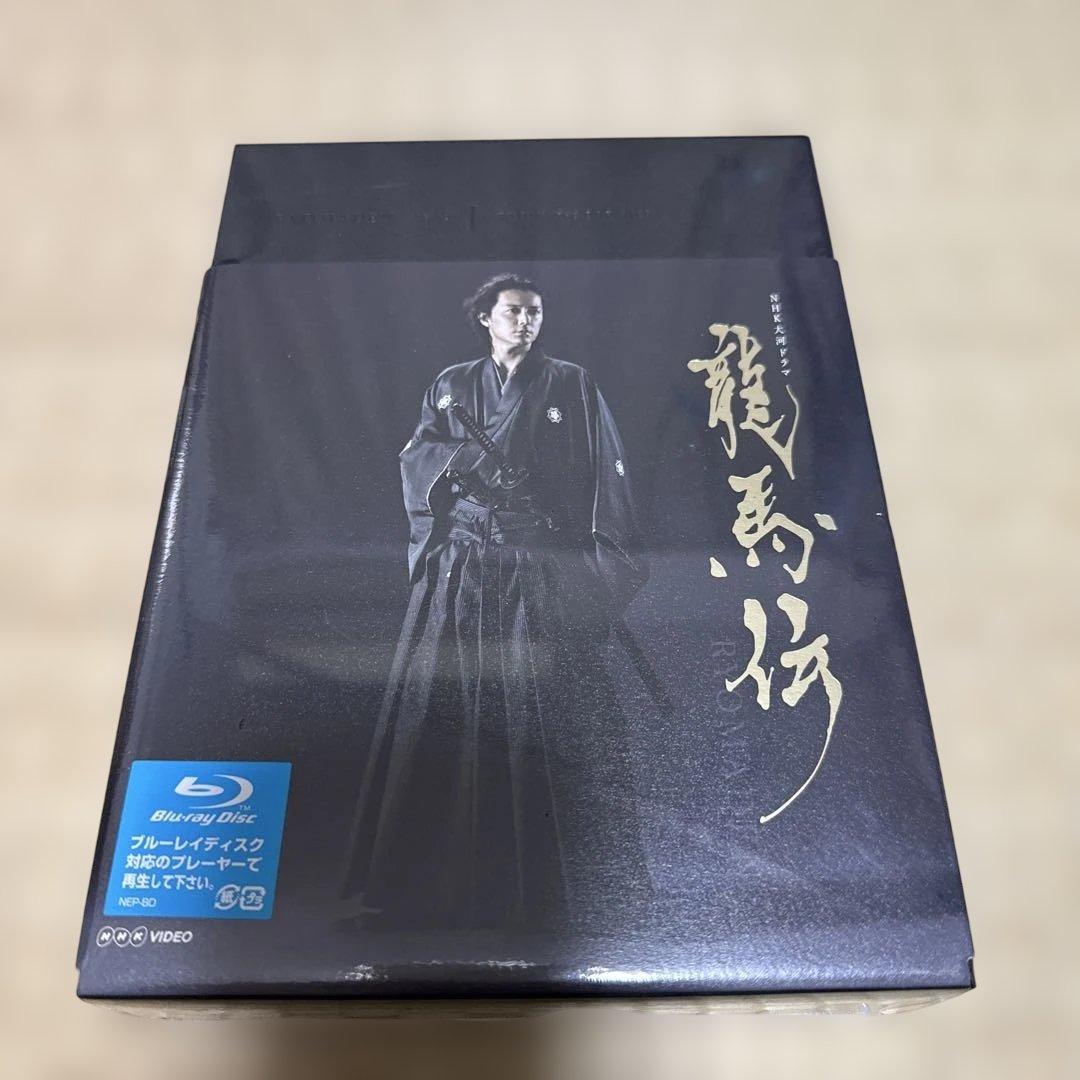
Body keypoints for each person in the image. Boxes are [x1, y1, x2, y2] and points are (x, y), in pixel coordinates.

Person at [342, 273, 650, 930]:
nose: (525, 322)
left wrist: (596, 575)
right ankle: (428, 881)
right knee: (442, 705)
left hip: (535, 568)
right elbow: (417, 460)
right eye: (512, 311)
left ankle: (551, 885)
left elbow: (607, 474)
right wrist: (462, 464)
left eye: (535, 312)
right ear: (485, 317)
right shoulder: (452, 384)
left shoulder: (571, 383)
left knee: (546, 710)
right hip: (462, 568)